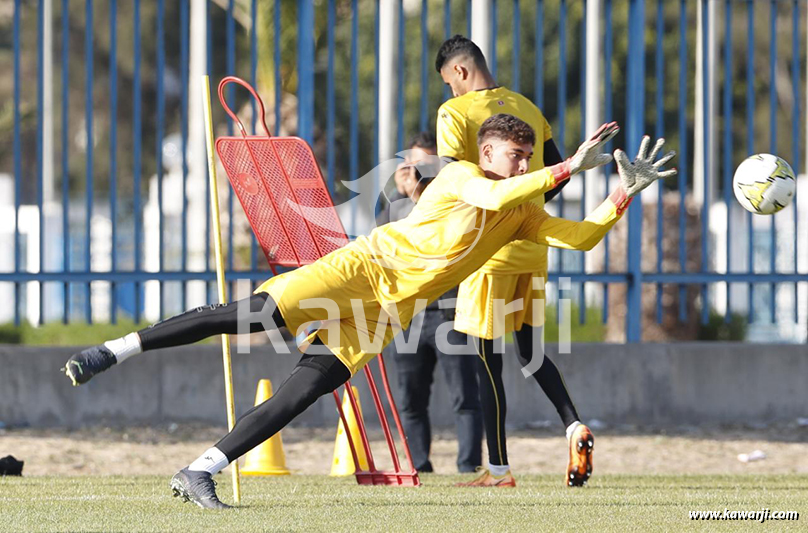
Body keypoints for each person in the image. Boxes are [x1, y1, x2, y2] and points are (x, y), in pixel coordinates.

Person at [63, 114, 672, 509]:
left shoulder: (524, 210)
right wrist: (566, 167)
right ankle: (113, 351)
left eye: (529, 156)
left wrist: (623, 194)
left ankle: (200, 470)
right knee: (251, 317)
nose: (525, 165)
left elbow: (583, 237)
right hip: (360, 268)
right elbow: (494, 190)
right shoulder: (462, 175)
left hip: (386, 312)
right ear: (489, 152)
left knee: (304, 392)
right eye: (518, 155)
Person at [433, 36, 669, 488]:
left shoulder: (454, 113)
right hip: (533, 240)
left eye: (449, 83)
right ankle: (573, 425)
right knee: (530, 352)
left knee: (485, 359)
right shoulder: (526, 106)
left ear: (459, 72)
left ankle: (498, 470)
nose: (450, 92)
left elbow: (454, 180)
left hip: (489, 251)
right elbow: (557, 175)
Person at [377, 132, 483, 474]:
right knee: (410, 400)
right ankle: (418, 467)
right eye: (409, 163)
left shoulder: (456, 199)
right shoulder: (394, 205)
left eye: (423, 164)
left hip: (451, 313)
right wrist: (408, 194)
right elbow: (386, 249)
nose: (415, 171)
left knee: (465, 396)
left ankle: (468, 466)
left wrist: (418, 193)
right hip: (408, 316)